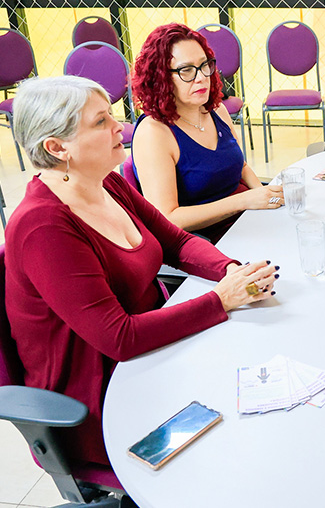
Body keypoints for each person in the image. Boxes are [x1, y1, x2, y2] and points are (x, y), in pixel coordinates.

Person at [4, 76, 279, 467]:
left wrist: (233, 271)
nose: (120, 126)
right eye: (100, 122)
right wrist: (221, 298)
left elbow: (177, 242)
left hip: (154, 354)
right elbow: (119, 338)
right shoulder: (44, 228)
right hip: (103, 397)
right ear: (56, 147)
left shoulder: (108, 183)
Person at [131, 23, 283, 241]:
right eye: (186, 70)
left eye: (205, 65)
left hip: (248, 219)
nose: (201, 77)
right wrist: (245, 201)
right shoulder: (154, 133)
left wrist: (266, 197)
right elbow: (168, 218)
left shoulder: (216, 110)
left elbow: (242, 166)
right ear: (161, 78)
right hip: (210, 239)